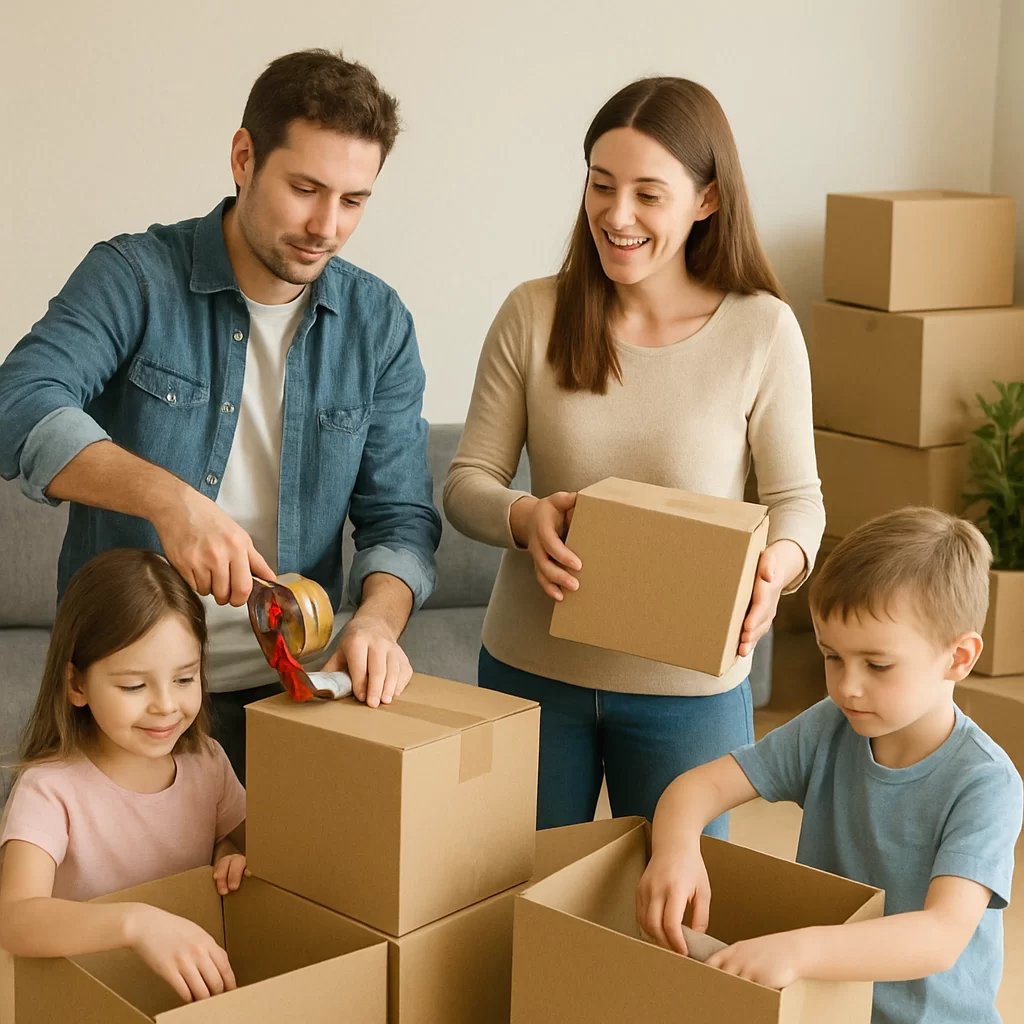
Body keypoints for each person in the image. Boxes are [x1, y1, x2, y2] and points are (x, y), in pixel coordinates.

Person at [0, 49, 442, 783]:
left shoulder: (380, 323)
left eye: (354, 200)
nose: (326, 226)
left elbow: (400, 519)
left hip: (293, 697)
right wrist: (171, 503)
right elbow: (19, 400)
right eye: (304, 188)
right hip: (131, 700)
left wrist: (375, 621)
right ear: (244, 158)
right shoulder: (135, 276)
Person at [443, 77, 824, 831]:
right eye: (601, 186)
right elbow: (467, 482)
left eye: (649, 195)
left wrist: (777, 569)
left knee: (674, 921)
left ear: (706, 201)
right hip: (531, 673)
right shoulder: (533, 312)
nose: (617, 216)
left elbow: (797, 501)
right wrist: (524, 516)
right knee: (513, 906)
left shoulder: (762, 330)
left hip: (691, 687)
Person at [637, 507, 1023, 1024]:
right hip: (822, 1008)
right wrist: (675, 849)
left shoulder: (986, 783)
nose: (846, 687)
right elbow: (698, 787)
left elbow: (939, 937)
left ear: (958, 658)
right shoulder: (830, 726)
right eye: (831, 656)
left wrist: (798, 951)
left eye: (877, 665)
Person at [0, 549, 248, 1004]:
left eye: (185, 679)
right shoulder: (49, 790)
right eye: (134, 685)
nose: (166, 706)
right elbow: (13, 919)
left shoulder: (207, 761)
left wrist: (229, 851)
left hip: (178, 1001)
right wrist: (136, 923)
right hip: (81, 1000)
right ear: (76, 685)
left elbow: (268, 853)